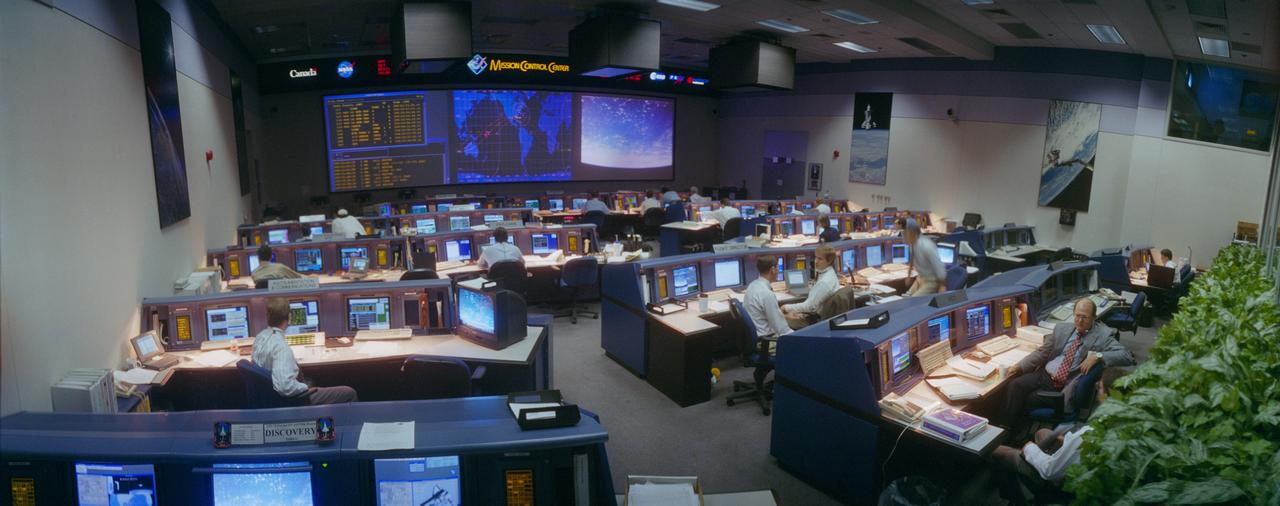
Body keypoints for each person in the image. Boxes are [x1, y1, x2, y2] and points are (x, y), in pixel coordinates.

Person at [991, 367, 1129, 500]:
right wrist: (1068, 441)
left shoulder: (1090, 433)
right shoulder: (1121, 421)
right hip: (1081, 462)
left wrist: (1029, 448)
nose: (1096, 385)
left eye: (1100, 386)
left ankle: (1015, 496)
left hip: (1057, 481)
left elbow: (1050, 471)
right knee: (1042, 433)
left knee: (998, 450)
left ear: (1107, 394)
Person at [1001, 298, 1135, 427]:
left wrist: (1098, 356)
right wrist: (1020, 366)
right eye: (1077, 316)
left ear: (1094, 317)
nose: (1079, 321)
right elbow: (1043, 352)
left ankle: (1016, 432)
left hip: (1065, 384)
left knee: (1029, 399)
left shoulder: (1103, 335)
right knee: (1015, 385)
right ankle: (1005, 428)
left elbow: (1127, 356)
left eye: (1085, 317)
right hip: (1045, 375)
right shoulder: (1062, 329)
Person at [251, 297, 357, 405]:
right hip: (293, 400)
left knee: (310, 380)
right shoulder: (281, 348)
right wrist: (305, 387)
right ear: (289, 317)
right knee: (349, 393)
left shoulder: (260, 337)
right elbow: (284, 387)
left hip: (268, 397)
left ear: (267, 317)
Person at [783, 245, 840, 328]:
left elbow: (809, 307)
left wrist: (786, 307)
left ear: (829, 261)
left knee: (779, 318)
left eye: (820, 259)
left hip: (813, 321)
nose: (816, 261)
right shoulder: (830, 274)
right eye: (816, 258)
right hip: (816, 316)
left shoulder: (824, 282)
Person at [744, 255, 791, 338]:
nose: (778, 271)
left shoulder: (752, 285)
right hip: (768, 339)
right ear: (773, 270)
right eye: (778, 268)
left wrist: (784, 316)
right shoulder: (767, 294)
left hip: (757, 335)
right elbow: (782, 329)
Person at [903, 218, 946, 296]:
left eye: (905, 233)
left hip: (931, 281)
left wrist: (942, 286)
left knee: (912, 302)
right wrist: (909, 275)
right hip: (920, 277)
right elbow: (912, 259)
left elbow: (939, 266)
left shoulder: (926, 245)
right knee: (906, 297)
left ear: (913, 232)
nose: (903, 235)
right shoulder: (912, 243)